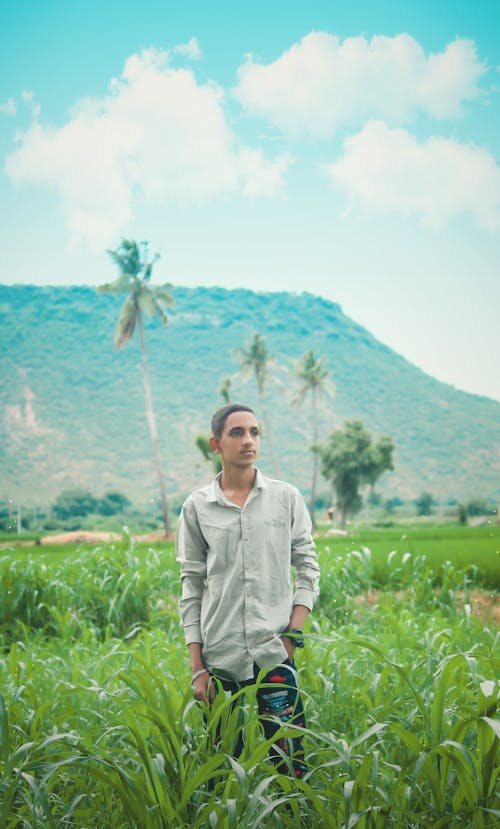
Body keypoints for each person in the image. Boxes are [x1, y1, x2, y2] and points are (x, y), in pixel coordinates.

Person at [176, 402, 320, 777]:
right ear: (216, 444)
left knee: (290, 763)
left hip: (274, 653)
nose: (248, 440)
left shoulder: (285, 498)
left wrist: (292, 636)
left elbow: (308, 568)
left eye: (254, 432)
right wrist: (197, 669)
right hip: (220, 658)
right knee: (225, 769)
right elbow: (191, 587)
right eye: (236, 433)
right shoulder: (197, 507)